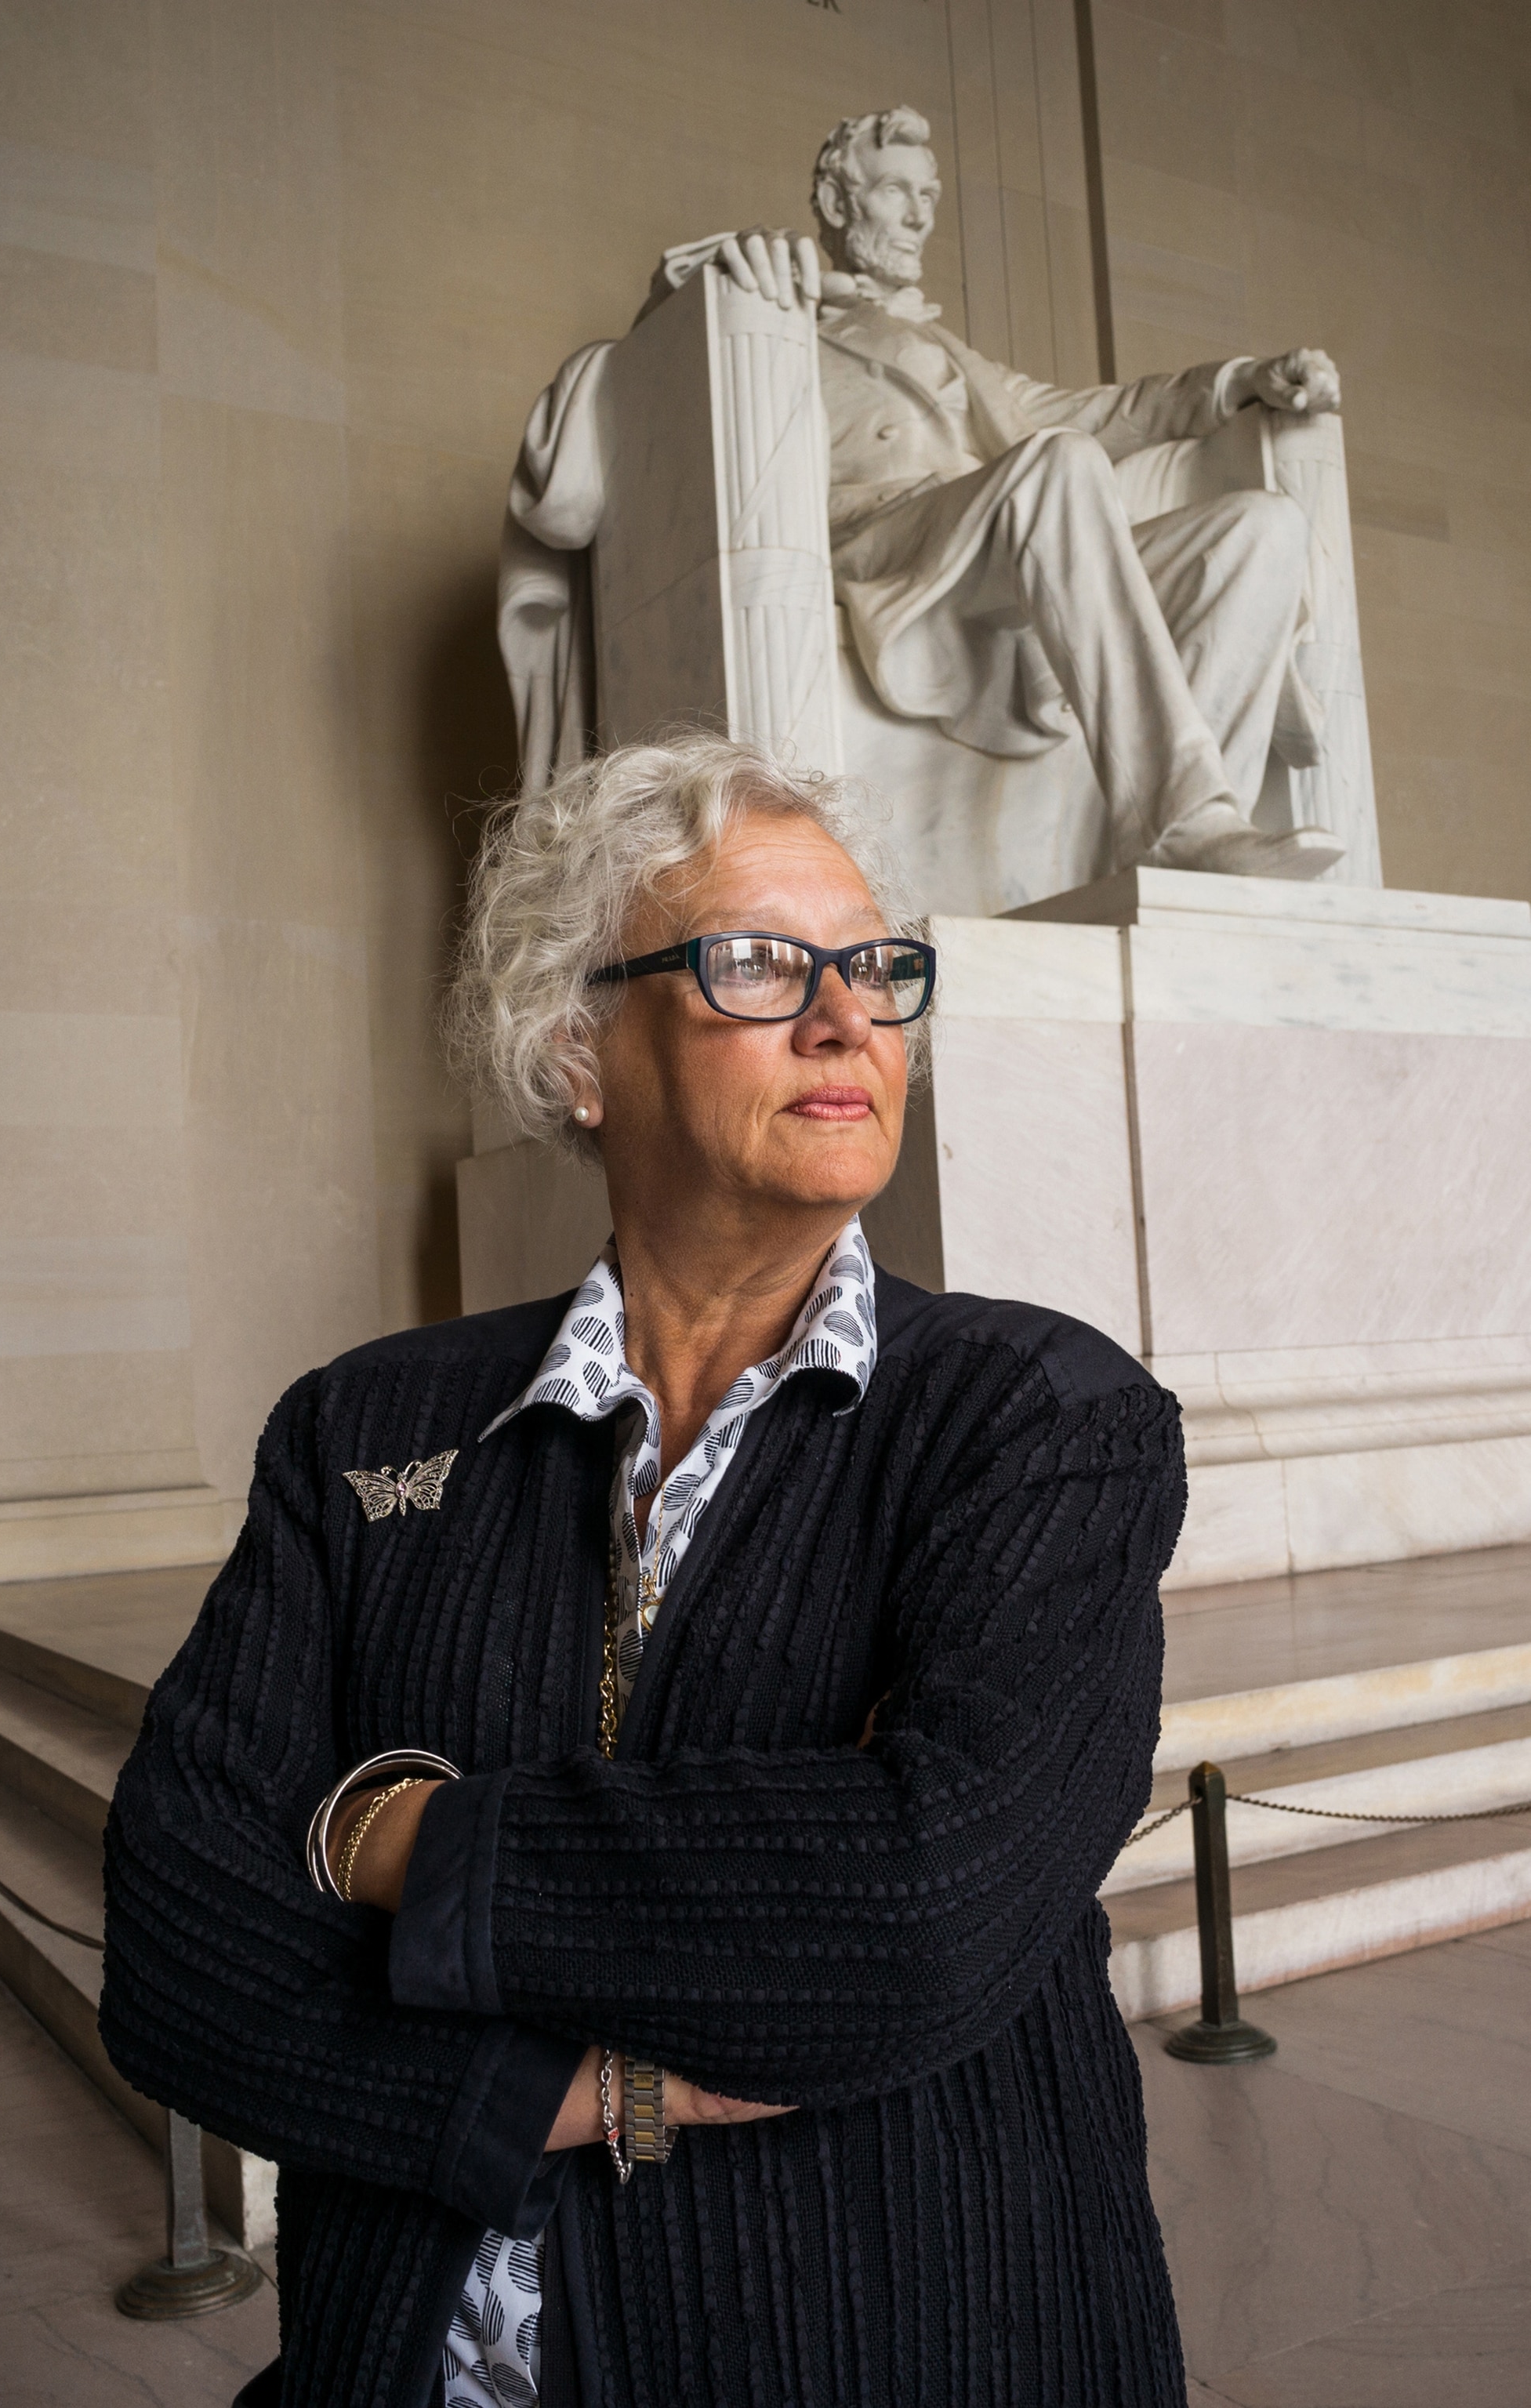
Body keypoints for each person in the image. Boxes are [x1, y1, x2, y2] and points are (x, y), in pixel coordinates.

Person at [101, 731, 1190, 2406]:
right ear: (575, 1050)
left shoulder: (1041, 1418)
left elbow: (915, 1905)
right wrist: (545, 2094)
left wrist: (384, 1832)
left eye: (873, 970)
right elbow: (179, 1954)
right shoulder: (363, 1425)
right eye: (758, 965)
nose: (845, 1019)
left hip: (895, 2339)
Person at [504, 105, 1345, 883]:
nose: (919, 216)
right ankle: (1183, 818)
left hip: (993, 537)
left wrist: (1238, 384)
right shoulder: (778, 302)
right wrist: (729, 260)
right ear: (836, 202)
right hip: (877, 542)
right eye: (896, 191)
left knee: (1261, 529)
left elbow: (1102, 412)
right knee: (1058, 465)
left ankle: (1193, 855)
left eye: (930, 195)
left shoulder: (955, 356)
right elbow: (660, 354)